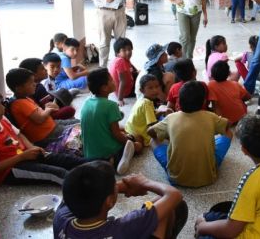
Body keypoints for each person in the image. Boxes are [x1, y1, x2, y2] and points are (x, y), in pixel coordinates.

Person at [194, 115, 260, 238]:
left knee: (203, 227)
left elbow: (230, 231)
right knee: (215, 214)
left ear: (244, 150)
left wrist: (202, 227)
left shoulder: (252, 180)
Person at [53, 161, 188, 239]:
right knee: (169, 208)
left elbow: (73, 192)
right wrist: (143, 182)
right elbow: (174, 195)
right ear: (110, 201)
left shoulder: (61, 219)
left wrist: (117, 188)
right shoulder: (124, 228)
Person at [148, 81, 231, 187]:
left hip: (176, 179)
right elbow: (227, 124)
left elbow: (150, 132)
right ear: (203, 102)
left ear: (179, 102)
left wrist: (170, 134)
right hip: (208, 177)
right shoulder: (210, 116)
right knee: (228, 133)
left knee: (153, 141)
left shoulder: (171, 118)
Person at [0, 90, 84, 186]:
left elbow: (19, 134)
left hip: (24, 154)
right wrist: (22, 157)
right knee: (59, 173)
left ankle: (98, 164)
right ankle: (84, 190)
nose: (3, 108)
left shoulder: (2, 118)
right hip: (10, 169)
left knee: (65, 159)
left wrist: (31, 148)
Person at [81, 68, 142, 175]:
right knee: (138, 139)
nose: (114, 81)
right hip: (108, 152)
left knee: (124, 131)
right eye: (111, 80)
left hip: (89, 154)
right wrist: (132, 143)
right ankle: (121, 157)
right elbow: (116, 134)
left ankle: (116, 157)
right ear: (104, 88)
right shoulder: (111, 106)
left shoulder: (87, 101)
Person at [5, 68, 78, 148]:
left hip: (52, 125)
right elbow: (39, 119)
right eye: (31, 83)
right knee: (81, 128)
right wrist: (48, 110)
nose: (35, 84)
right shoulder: (19, 103)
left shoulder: (25, 98)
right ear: (18, 88)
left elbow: (37, 113)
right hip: (47, 134)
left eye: (34, 81)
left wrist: (46, 107)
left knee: (79, 122)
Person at [125, 74, 170, 147]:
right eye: (150, 88)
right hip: (139, 132)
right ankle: (132, 145)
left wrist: (161, 112)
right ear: (142, 90)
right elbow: (153, 125)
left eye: (157, 86)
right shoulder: (147, 104)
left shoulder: (142, 99)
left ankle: (130, 139)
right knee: (141, 145)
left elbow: (150, 115)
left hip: (130, 128)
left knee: (162, 109)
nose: (155, 90)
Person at [109, 37, 138, 106]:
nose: (128, 52)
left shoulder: (122, 59)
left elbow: (131, 67)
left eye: (129, 49)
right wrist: (120, 99)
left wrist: (136, 72)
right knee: (148, 83)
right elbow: (123, 81)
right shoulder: (121, 61)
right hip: (126, 92)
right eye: (124, 50)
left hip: (120, 87)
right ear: (117, 53)